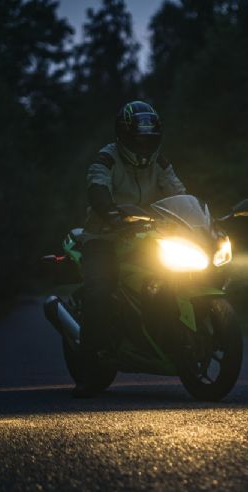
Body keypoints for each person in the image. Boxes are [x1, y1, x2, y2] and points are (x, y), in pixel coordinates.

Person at [74, 100, 186, 398]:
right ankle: (87, 371)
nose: (145, 143)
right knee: (100, 293)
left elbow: (178, 192)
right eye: (139, 138)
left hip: (146, 236)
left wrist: (193, 217)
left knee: (172, 278)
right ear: (124, 136)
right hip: (104, 237)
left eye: (150, 138)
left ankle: (165, 340)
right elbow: (97, 188)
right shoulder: (106, 159)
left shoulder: (159, 162)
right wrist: (110, 214)